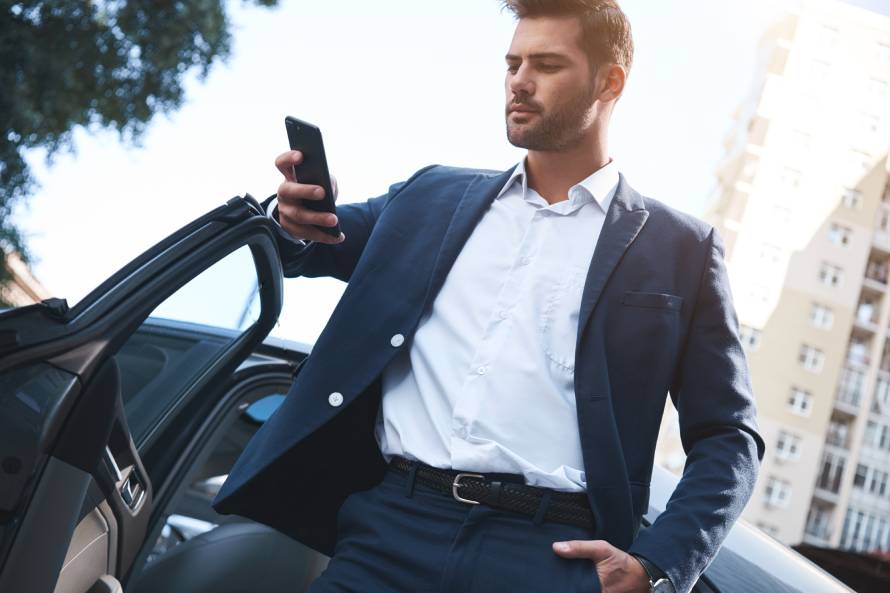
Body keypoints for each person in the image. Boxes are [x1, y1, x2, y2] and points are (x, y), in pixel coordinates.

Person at [213, 2, 765, 592]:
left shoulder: (680, 248)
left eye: (547, 64)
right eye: (512, 63)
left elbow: (730, 436)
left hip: (546, 556)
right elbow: (312, 240)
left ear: (610, 82)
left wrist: (660, 566)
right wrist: (291, 215)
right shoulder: (431, 198)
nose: (520, 81)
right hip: (387, 531)